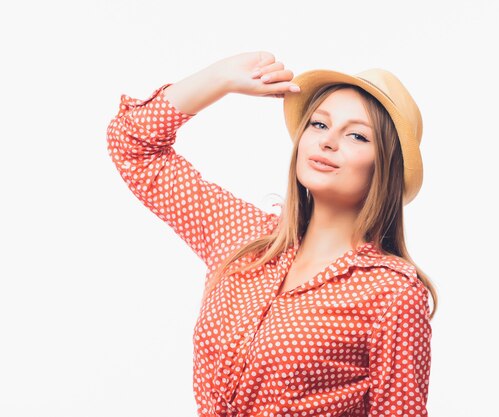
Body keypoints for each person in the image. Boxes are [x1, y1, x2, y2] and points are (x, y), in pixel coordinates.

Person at [106, 51, 437, 417]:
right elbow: (132, 144)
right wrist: (221, 78)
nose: (328, 142)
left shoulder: (393, 294)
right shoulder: (240, 234)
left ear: (385, 166)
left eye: (357, 135)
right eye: (319, 124)